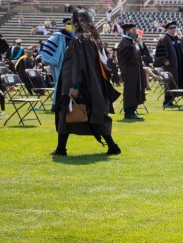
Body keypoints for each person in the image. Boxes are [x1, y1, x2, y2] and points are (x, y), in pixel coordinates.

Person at [50, 10, 121, 156]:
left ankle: (61, 149)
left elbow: (78, 64)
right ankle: (112, 146)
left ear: (76, 23)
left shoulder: (79, 39)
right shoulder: (92, 39)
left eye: (72, 22)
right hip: (90, 83)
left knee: (68, 113)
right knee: (94, 114)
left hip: (78, 83)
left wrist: (76, 86)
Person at [154, 21, 183, 108]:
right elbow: (160, 53)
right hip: (171, 66)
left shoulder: (180, 39)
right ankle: (167, 101)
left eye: (174, 27)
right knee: (171, 82)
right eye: (171, 28)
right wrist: (164, 60)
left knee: (179, 81)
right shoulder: (164, 39)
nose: (173, 29)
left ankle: (172, 100)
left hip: (181, 65)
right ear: (167, 29)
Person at [41, 17, 74, 106]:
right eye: (68, 23)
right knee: (60, 83)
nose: (70, 25)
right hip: (59, 62)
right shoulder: (58, 35)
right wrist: (53, 59)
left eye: (71, 23)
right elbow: (48, 47)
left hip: (70, 63)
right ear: (64, 24)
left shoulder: (72, 35)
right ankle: (56, 103)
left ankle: (66, 103)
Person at [117, 23, 146, 120]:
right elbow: (130, 59)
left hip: (135, 71)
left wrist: (140, 43)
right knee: (130, 91)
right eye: (133, 31)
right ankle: (128, 113)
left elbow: (144, 53)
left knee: (135, 90)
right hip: (129, 71)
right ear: (127, 31)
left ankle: (132, 111)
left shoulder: (131, 42)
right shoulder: (125, 43)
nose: (135, 33)